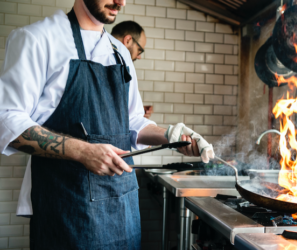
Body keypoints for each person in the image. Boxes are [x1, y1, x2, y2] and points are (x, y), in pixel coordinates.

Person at [0, 0, 214, 249]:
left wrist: (170, 135)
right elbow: (7, 121)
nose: (120, 2)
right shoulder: (37, 39)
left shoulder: (119, 53)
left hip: (122, 208)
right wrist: (83, 151)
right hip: (67, 209)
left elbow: (131, 120)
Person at [111, 20, 153, 118]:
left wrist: (135, 111)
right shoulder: (119, 65)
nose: (139, 57)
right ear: (128, 40)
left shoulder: (123, 65)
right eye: (139, 50)